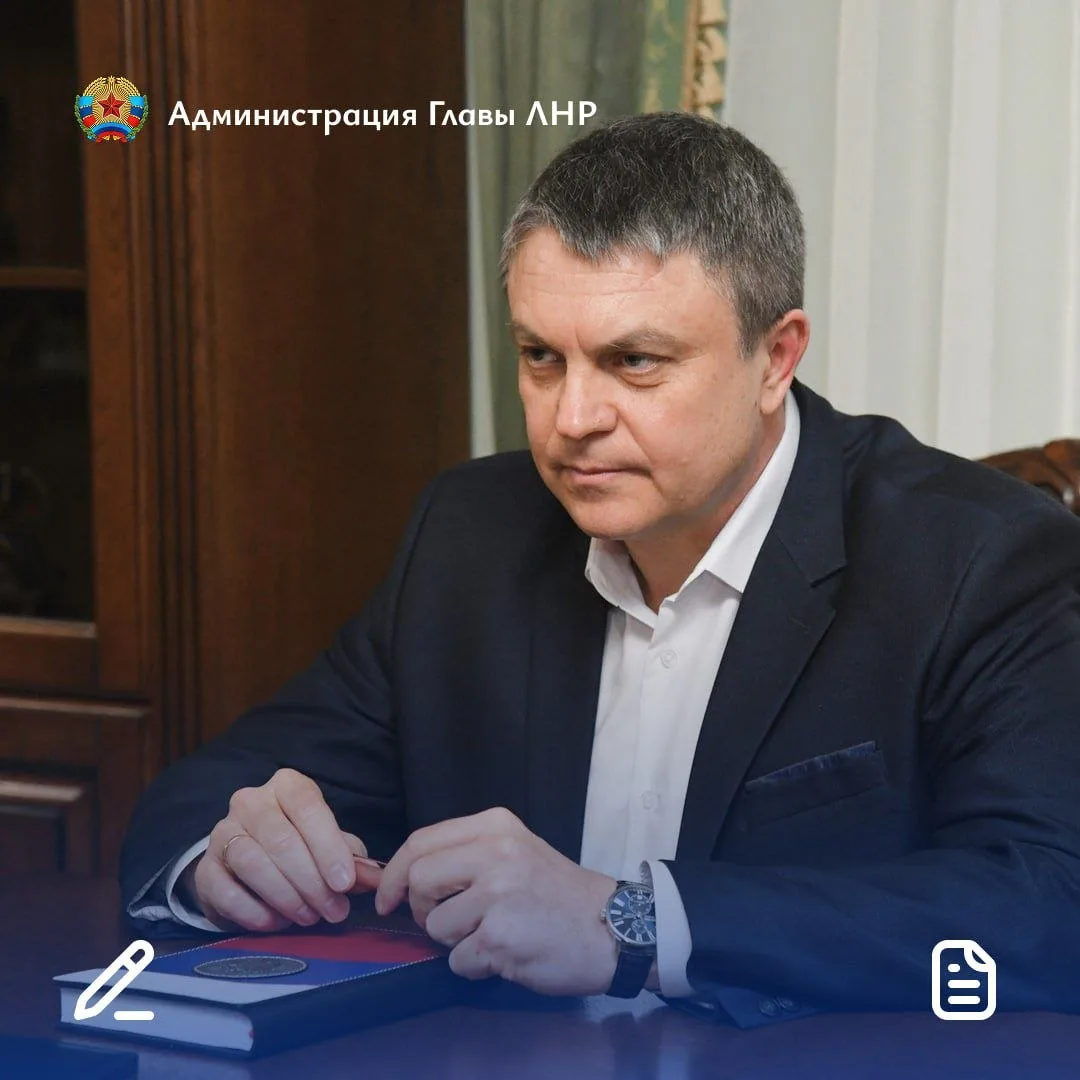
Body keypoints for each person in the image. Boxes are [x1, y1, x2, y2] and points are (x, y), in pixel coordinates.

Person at [122, 113, 1080, 1027]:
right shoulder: (470, 534)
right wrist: (229, 860)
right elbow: (207, 794)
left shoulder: (978, 557)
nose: (572, 419)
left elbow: (1049, 906)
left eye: (635, 361)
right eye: (541, 356)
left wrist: (632, 924)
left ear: (775, 358)